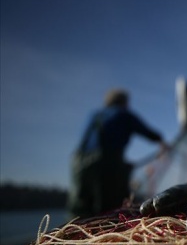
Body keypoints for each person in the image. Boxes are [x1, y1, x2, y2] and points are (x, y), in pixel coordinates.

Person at [68, 88, 169, 218]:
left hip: (79, 165)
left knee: (80, 211)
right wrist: (161, 141)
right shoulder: (124, 115)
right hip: (107, 165)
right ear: (124, 102)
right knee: (110, 210)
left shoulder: (94, 115)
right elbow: (147, 132)